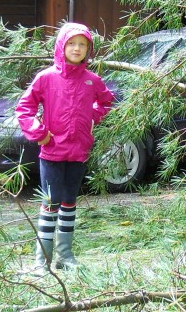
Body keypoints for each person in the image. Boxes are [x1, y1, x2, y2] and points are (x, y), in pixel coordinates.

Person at [16, 22, 114, 273]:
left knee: (70, 202)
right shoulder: (46, 78)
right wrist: (41, 134)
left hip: (79, 151)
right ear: (62, 46)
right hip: (52, 151)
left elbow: (106, 103)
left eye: (83, 44)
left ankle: (65, 256)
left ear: (88, 49)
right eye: (72, 43)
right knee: (51, 202)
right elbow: (24, 109)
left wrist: (92, 118)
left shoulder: (92, 81)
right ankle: (42, 261)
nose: (77, 48)